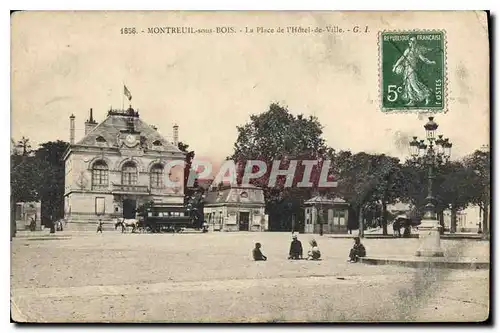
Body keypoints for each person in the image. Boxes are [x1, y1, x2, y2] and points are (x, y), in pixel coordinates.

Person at [392, 36, 436, 106]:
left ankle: (427, 96)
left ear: (416, 43)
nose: (412, 43)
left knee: (414, 85)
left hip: (412, 70)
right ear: (409, 43)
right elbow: (401, 58)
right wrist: (395, 66)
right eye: (411, 41)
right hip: (406, 70)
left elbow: (423, 59)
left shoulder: (416, 51)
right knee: (408, 85)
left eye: (414, 41)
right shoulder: (407, 51)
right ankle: (412, 101)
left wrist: (430, 62)